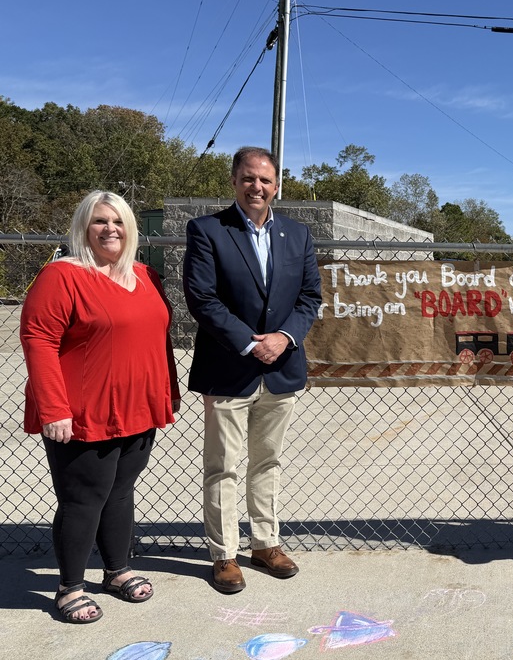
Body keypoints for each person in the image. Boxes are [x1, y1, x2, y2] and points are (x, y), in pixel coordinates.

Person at [21, 190, 180, 623]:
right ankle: (69, 587)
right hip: (82, 412)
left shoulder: (146, 276)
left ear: (130, 228)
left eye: (117, 221)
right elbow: (39, 340)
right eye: (99, 222)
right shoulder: (62, 275)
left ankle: (116, 571)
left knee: (121, 493)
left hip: (138, 408)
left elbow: (156, 337)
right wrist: (53, 408)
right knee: (83, 499)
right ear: (83, 228)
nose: (110, 229)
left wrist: (166, 393)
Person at [183, 146, 321, 594]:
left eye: (264, 179)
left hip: (281, 369)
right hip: (229, 369)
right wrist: (248, 342)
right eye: (248, 178)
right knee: (222, 465)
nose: (256, 187)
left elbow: (310, 298)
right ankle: (223, 554)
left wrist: (283, 338)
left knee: (268, 461)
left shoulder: (298, 235)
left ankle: (265, 543)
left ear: (277, 184)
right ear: (234, 182)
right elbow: (202, 298)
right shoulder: (206, 230)